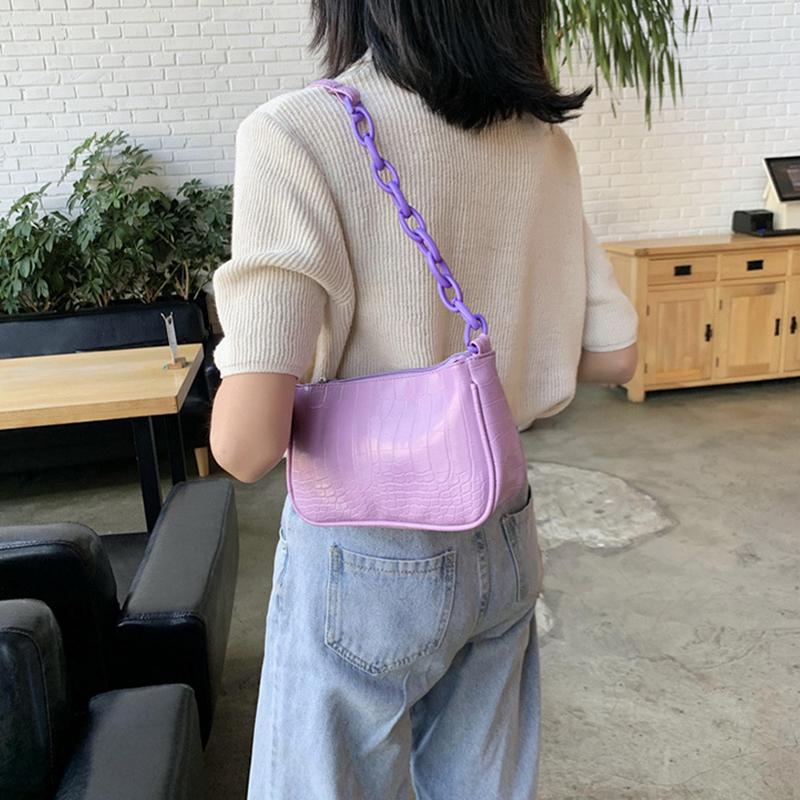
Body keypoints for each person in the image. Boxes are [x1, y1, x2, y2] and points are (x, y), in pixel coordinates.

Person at [209, 1, 639, 797]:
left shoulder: (298, 133)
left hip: (367, 542)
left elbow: (244, 446)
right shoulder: (545, 144)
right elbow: (615, 354)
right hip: (504, 528)